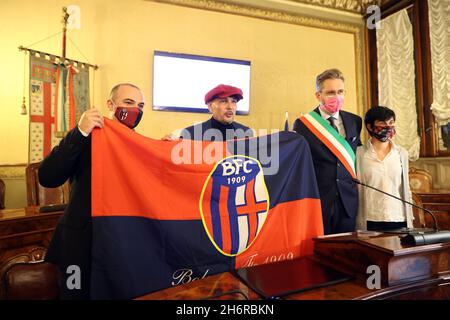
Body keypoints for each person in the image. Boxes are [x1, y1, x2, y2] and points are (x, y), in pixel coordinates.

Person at [38, 83, 145, 299]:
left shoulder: (139, 145)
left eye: (141, 105)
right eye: (128, 102)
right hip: (77, 247)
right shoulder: (87, 136)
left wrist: (167, 152)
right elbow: (48, 176)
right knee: (74, 295)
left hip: (118, 244)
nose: (136, 110)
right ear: (110, 104)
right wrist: (80, 131)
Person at [293, 68, 362, 234]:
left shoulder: (354, 121)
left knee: (346, 251)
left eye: (340, 91)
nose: (336, 97)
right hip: (320, 199)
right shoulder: (303, 124)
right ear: (318, 95)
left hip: (348, 200)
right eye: (331, 92)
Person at [356, 106, 413, 231]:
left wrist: (410, 217)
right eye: (382, 123)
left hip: (398, 217)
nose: (388, 127)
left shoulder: (401, 153)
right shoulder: (359, 153)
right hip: (370, 218)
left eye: (391, 123)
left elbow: (405, 187)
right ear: (370, 127)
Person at [163, 84, 253, 141]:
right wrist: (166, 146)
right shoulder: (191, 134)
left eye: (233, 101)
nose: (230, 107)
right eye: (223, 101)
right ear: (210, 107)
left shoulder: (246, 133)